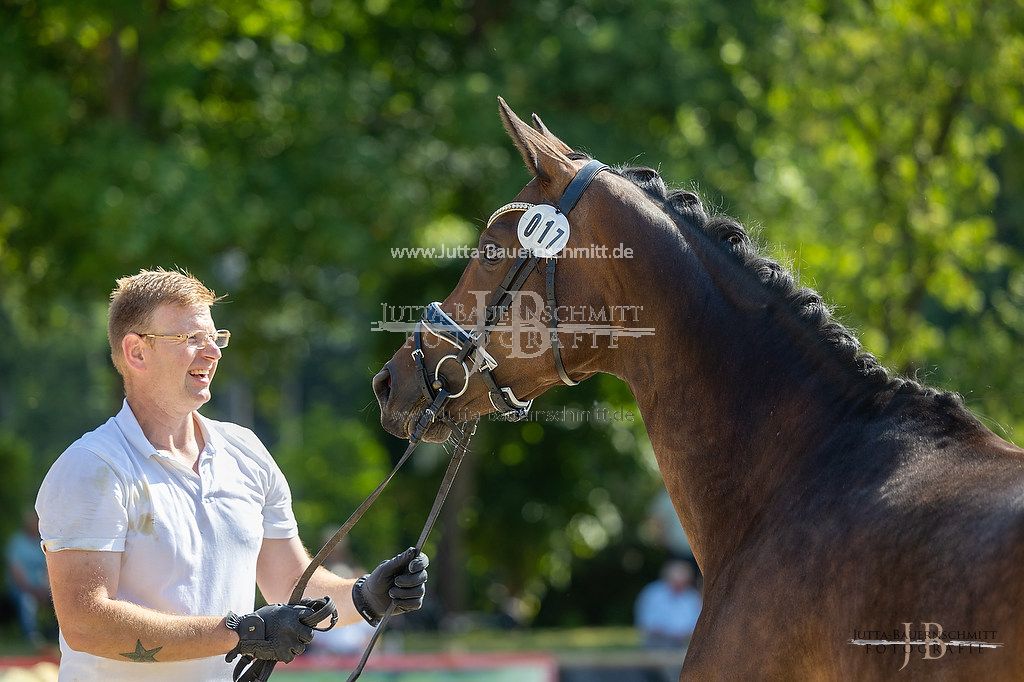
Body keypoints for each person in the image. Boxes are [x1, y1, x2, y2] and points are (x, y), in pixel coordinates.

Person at [35, 268, 428, 681]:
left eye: (214, 337)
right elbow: (86, 624)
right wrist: (240, 633)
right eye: (191, 339)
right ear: (136, 352)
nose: (213, 352)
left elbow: (290, 584)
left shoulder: (246, 453)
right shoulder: (92, 467)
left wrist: (368, 596)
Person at [4, 509, 51, 648]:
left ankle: (59, 634)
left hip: (43, 588)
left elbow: (48, 569)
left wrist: (46, 588)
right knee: (27, 600)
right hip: (21, 589)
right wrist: (32, 590)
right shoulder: (16, 542)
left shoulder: (43, 543)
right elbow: (16, 571)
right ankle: (32, 634)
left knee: (61, 596)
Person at [634, 559, 702, 649]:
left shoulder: (692, 597)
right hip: (656, 642)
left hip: (684, 643)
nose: (678, 586)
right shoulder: (653, 593)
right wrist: (667, 633)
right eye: (675, 582)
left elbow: (697, 622)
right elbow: (646, 621)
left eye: (682, 583)